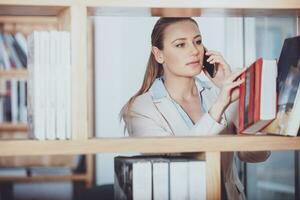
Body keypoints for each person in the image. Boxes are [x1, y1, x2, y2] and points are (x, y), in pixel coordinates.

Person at [120, 17, 270, 200]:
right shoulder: (140, 109)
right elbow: (175, 164)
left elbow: (257, 154)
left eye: (197, 41)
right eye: (180, 45)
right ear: (159, 54)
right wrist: (219, 107)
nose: (194, 50)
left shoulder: (218, 93)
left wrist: (235, 98)